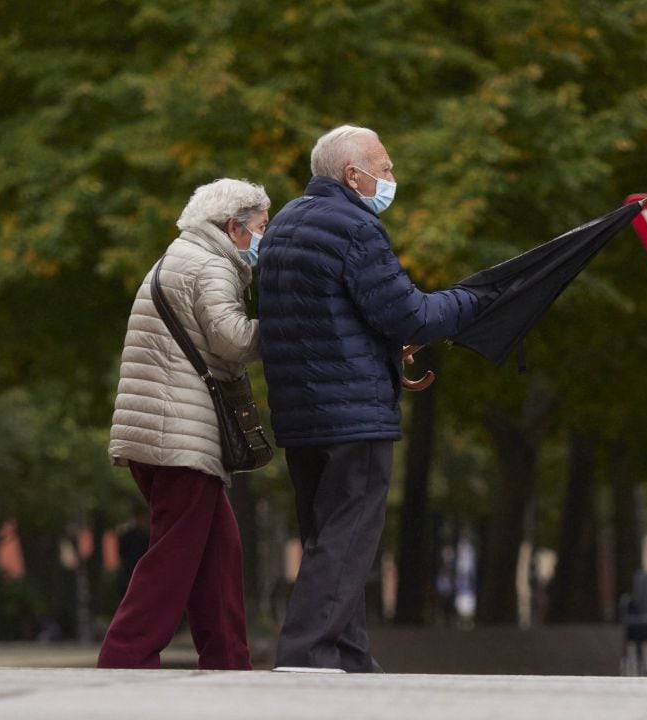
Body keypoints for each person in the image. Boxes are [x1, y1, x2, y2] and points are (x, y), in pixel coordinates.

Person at [257, 125, 479, 672]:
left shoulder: (283, 223)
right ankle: (306, 655)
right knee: (349, 537)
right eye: (384, 167)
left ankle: (351, 657)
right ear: (352, 175)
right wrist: (471, 301)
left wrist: (378, 345)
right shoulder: (356, 227)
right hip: (352, 410)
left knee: (327, 538)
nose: (391, 178)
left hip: (299, 410)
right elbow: (410, 315)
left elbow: (323, 316)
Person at [98, 178, 270, 670]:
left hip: (159, 431)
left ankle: (229, 661)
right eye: (260, 227)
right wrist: (286, 324)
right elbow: (232, 341)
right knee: (174, 556)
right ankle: (125, 658)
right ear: (232, 227)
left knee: (217, 554)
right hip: (179, 435)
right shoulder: (211, 265)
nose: (263, 238)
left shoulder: (179, 256)